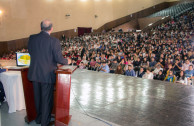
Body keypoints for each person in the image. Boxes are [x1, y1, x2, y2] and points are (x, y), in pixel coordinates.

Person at [28, 19, 71, 126]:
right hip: (47, 74)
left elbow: (31, 52)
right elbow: (59, 59)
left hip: (34, 73)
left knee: (37, 98)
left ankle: (39, 119)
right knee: (46, 100)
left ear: (40, 28)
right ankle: (45, 123)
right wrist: (68, 61)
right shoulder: (54, 41)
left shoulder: (32, 38)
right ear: (51, 29)